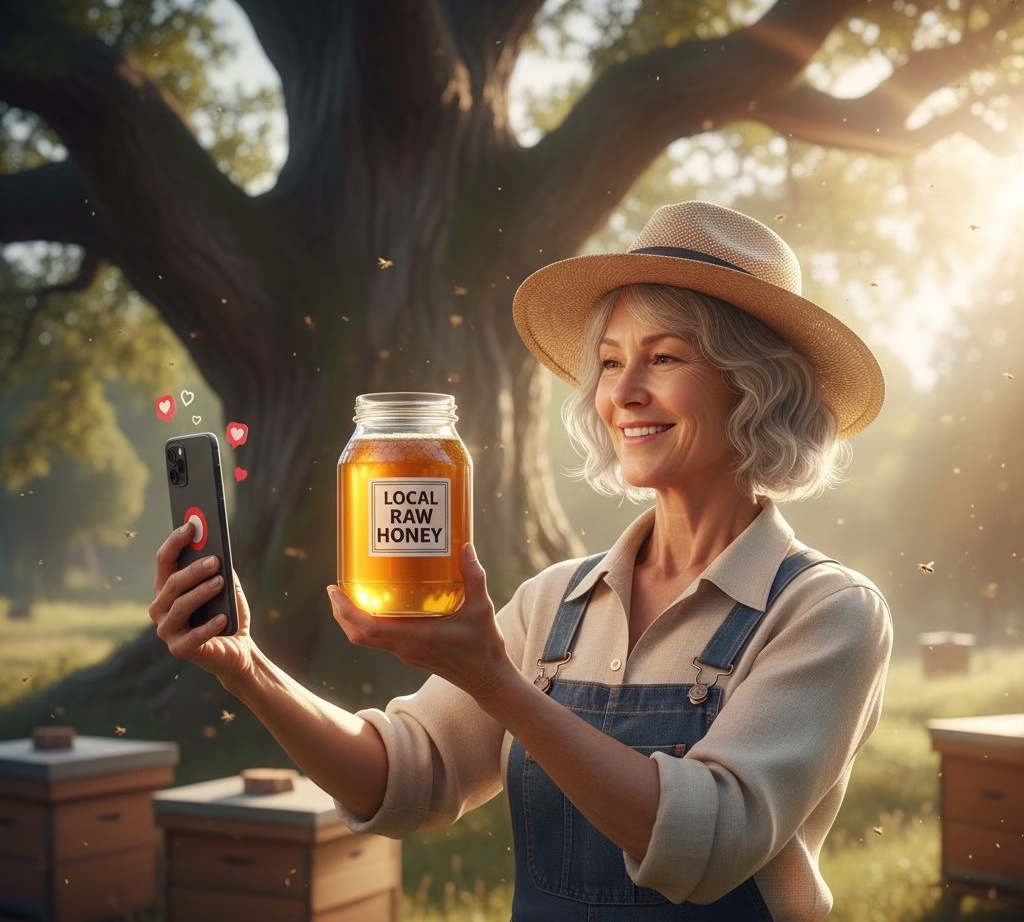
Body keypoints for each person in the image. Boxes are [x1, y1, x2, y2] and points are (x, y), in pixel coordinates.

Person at [150, 201, 893, 921]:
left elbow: (712, 843)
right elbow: (405, 777)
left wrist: (498, 684)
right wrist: (245, 667)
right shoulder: (555, 601)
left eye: (664, 358)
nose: (624, 393)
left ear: (758, 387)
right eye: (608, 362)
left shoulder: (826, 611)